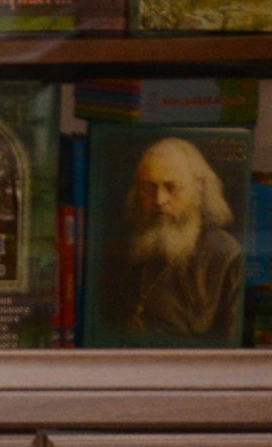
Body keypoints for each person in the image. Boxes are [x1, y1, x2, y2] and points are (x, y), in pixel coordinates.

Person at [100, 136, 240, 341]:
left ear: (199, 187)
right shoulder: (128, 247)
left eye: (172, 188)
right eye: (149, 188)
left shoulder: (225, 255)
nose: (159, 200)